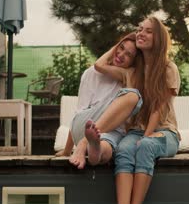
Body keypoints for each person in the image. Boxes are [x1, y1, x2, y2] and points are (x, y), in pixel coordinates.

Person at [113, 17, 181, 204]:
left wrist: (147, 135)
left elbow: (158, 109)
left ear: (159, 38)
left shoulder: (169, 68)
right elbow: (100, 66)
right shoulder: (133, 71)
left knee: (146, 146)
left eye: (148, 31)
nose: (141, 33)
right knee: (124, 151)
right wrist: (124, 41)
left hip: (165, 132)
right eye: (139, 29)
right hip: (136, 131)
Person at [55, 33, 144, 170]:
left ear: (134, 62)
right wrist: (67, 150)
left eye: (128, 55)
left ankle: (96, 150)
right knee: (132, 96)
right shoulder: (92, 73)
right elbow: (79, 113)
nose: (121, 55)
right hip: (85, 125)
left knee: (108, 146)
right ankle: (85, 143)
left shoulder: (130, 77)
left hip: (110, 133)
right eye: (120, 48)